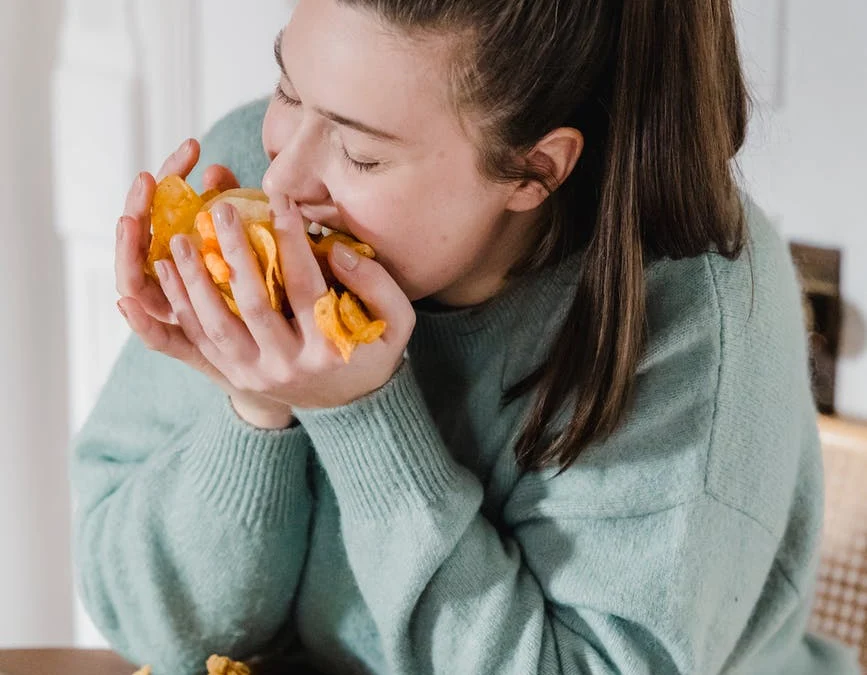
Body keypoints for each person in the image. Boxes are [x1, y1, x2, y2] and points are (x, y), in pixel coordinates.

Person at [70, 1, 860, 673]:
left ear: (533, 170)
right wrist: (250, 406)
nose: (278, 178)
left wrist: (362, 416)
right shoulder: (253, 175)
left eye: (360, 151)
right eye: (286, 87)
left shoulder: (695, 316)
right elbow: (145, 620)